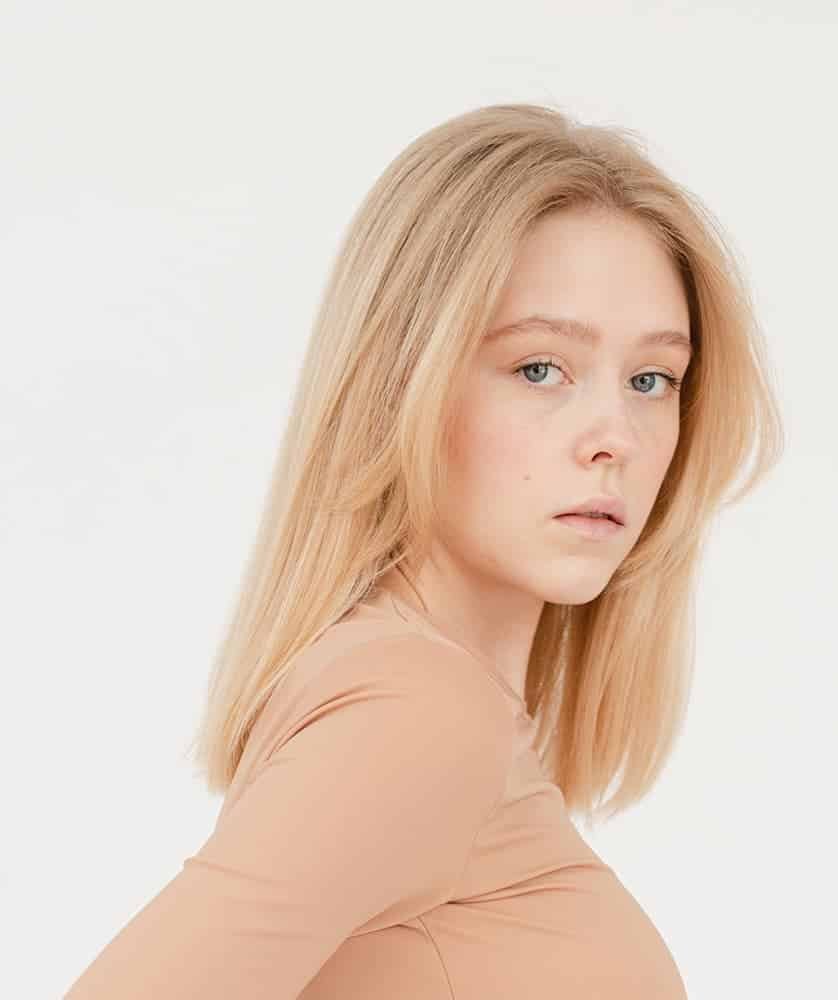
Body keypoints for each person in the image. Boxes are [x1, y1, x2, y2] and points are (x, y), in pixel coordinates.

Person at [64, 102, 784, 998]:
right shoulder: (417, 711)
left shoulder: (431, 706)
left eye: (651, 379)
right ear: (402, 381)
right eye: (539, 368)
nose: (616, 437)